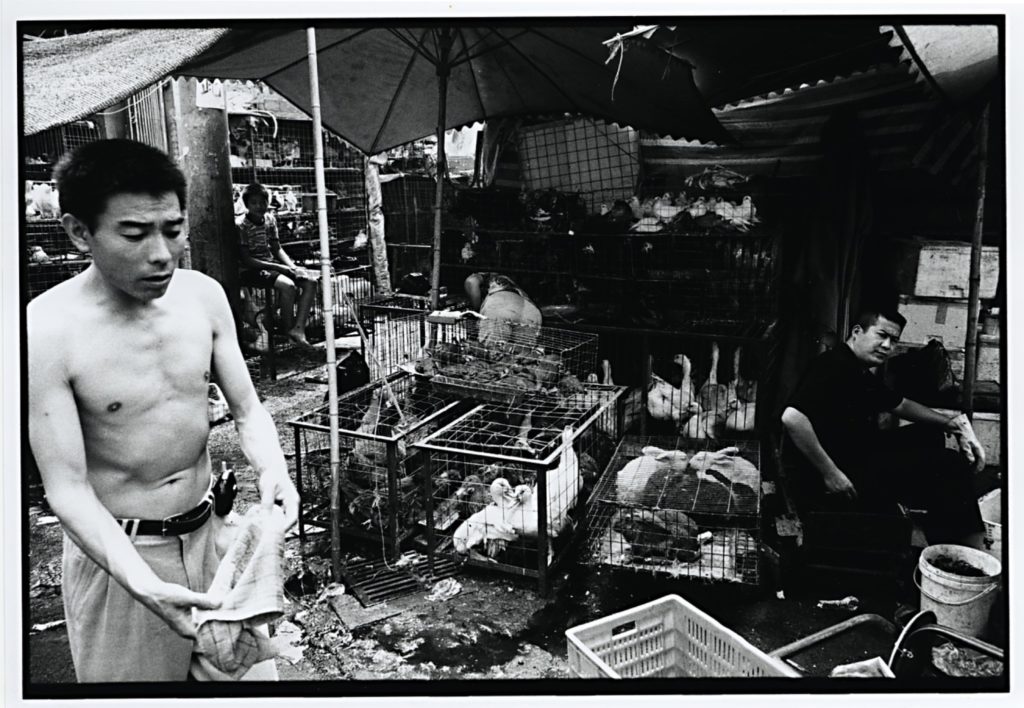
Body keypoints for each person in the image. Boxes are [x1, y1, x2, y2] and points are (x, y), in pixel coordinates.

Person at [27, 139, 300, 682]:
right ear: (79, 232)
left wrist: (274, 470)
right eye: (134, 234)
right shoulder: (44, 332)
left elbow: (247, 410)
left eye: (173, 230)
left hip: (214, 539)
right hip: (121, 559)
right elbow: (67, 490)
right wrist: (142, 582)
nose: (161, 254)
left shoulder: (203, 297)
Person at [781, 309, 986, 548]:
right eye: (881, 335)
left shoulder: (855, 367)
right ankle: (964, 549)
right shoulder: (832, 365)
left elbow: (900, 404)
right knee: (949, 464)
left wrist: (952, 424)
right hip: (832, 472)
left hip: (853, 452)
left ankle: (941, 528)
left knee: (929, 434)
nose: (887, 345)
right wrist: (831, 474)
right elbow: (792, 418)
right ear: (857, 332)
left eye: (894, 340)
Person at [237, 182, 317, 349]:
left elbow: (277, 248)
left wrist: (293, 267)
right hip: (251, 269)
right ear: (246, 205)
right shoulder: (241, 225)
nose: (259, 206)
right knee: (288, 286)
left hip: (270, 265)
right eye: (254, 203)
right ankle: (287, 334)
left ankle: (298, 329)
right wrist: (281, 268)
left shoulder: (270, 220)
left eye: (263, 202)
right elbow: (247, 260)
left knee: (310, 282)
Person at [464, 271, 542, 345]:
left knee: (491, 349)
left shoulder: (483, 276)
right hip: (531, 312)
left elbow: (471, 281)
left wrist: (476, 309)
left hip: (499, 308)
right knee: (524, 352)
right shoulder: (508, 281)